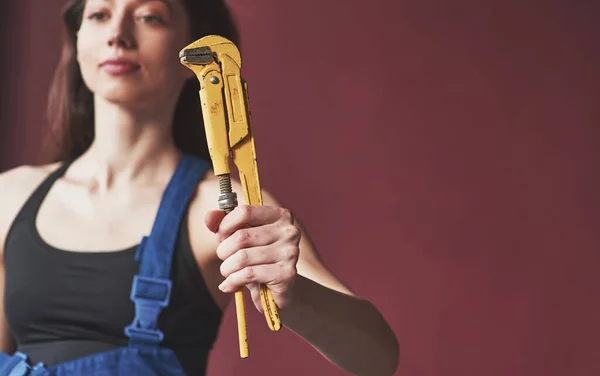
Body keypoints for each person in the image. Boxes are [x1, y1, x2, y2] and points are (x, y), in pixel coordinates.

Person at [0, 0, 399, 375]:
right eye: (99, 14)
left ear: (195, 48)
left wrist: (295, 296)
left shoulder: (225, 206)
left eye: (149, 16)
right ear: (76, 39)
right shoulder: (11, 197)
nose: (117, 34)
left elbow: (377, 358)